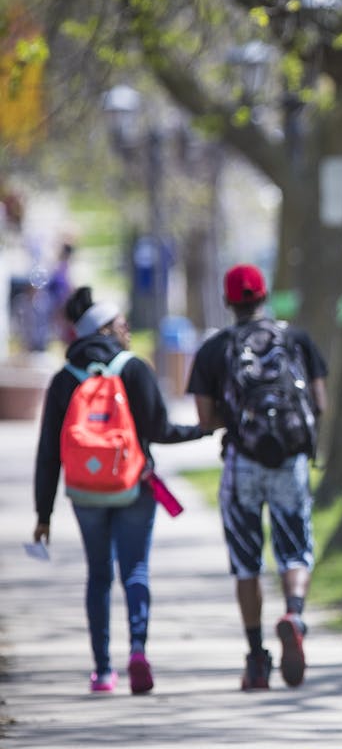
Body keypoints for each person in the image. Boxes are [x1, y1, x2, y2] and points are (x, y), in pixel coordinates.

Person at [32, 287, 209, 694]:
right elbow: (160, 430)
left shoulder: (64, 378)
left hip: (83, 493)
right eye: (123, 324)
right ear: (107, 328)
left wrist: (44, 514)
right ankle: (139, 652)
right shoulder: (133, 368)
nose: (128, 330)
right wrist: (203, 429)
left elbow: (48, 453)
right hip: (134, 486)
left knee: (98, 575)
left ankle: (102, 670)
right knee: (135, 570)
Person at [186, 264, 328, 691]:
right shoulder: (296, 339)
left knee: (247, 562)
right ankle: (295, 615)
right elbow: (319, 401)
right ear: (264, 296)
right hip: (289, 460)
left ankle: (255, 660)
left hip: (242, 463)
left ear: (229, 302)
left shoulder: (214, 349)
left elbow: (206, 418)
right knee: (295, 549)